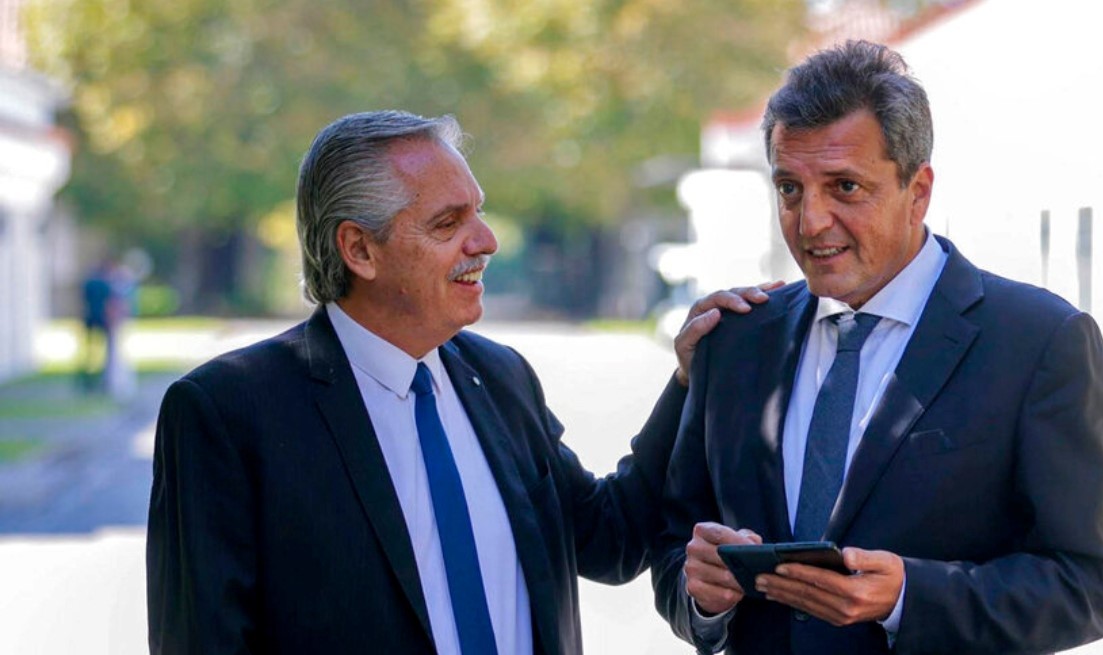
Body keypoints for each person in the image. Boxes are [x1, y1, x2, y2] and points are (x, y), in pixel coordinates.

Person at [146, 110, 770, 654]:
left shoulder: (499, 377)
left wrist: (688, 378)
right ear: (359, 250)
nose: (486, 241)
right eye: (448, 223)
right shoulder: (227, 413)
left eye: (479, 211)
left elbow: (609, 539)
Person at [652, 41, 1103, 654]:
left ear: (919, 190)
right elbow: (673, 548)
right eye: (790, 189)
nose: (810, 222)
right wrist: (702, 597)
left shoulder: (1040, 341)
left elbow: (1094, 583)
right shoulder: (736, 340)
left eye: (845, 186)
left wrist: (910, 596)